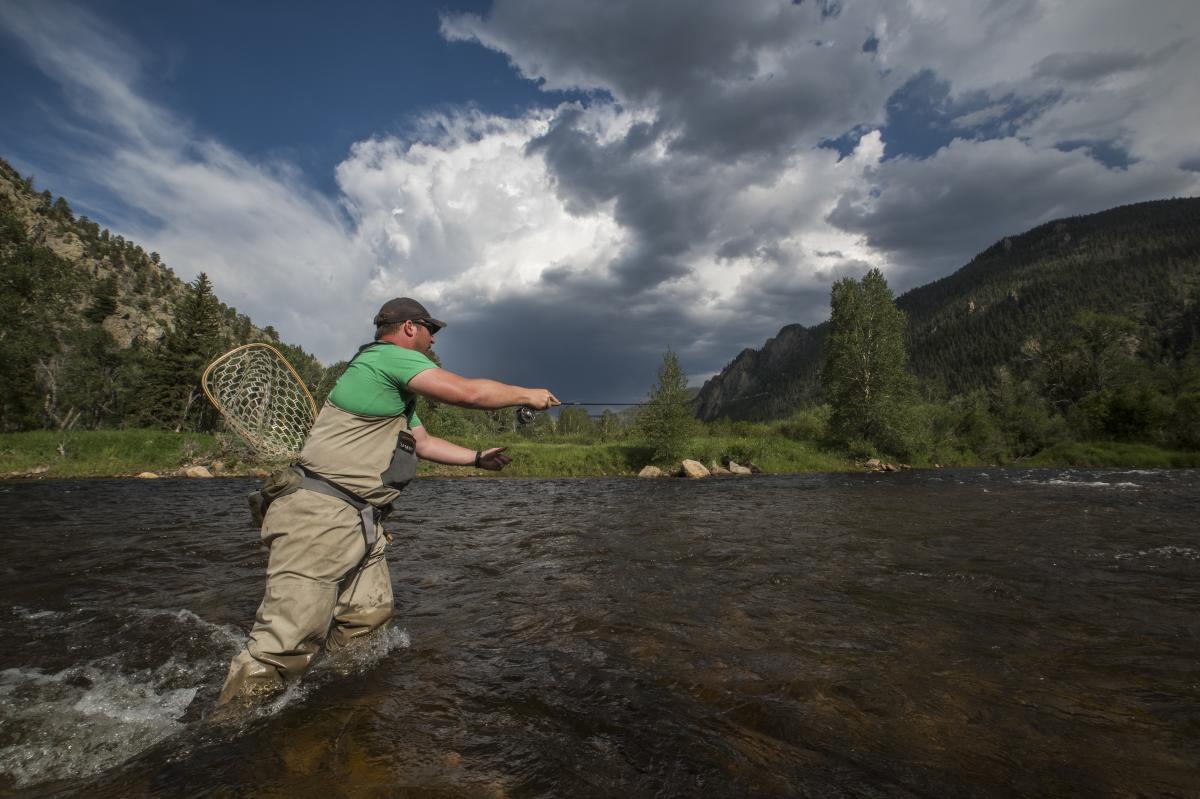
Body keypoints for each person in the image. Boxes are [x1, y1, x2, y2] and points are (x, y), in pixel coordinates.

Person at [219, 297, 558, 704]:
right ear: (410, 328)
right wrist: (526, 394)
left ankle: (330, 708)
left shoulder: (392, 389)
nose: (433, 339)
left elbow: (425, 442)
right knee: (281, 647)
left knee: (365, 622)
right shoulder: (386, 358)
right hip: (320, 519)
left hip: (358, 520)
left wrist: (476, 458)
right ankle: (223, 731)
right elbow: (466, 393)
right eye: (431, 329)